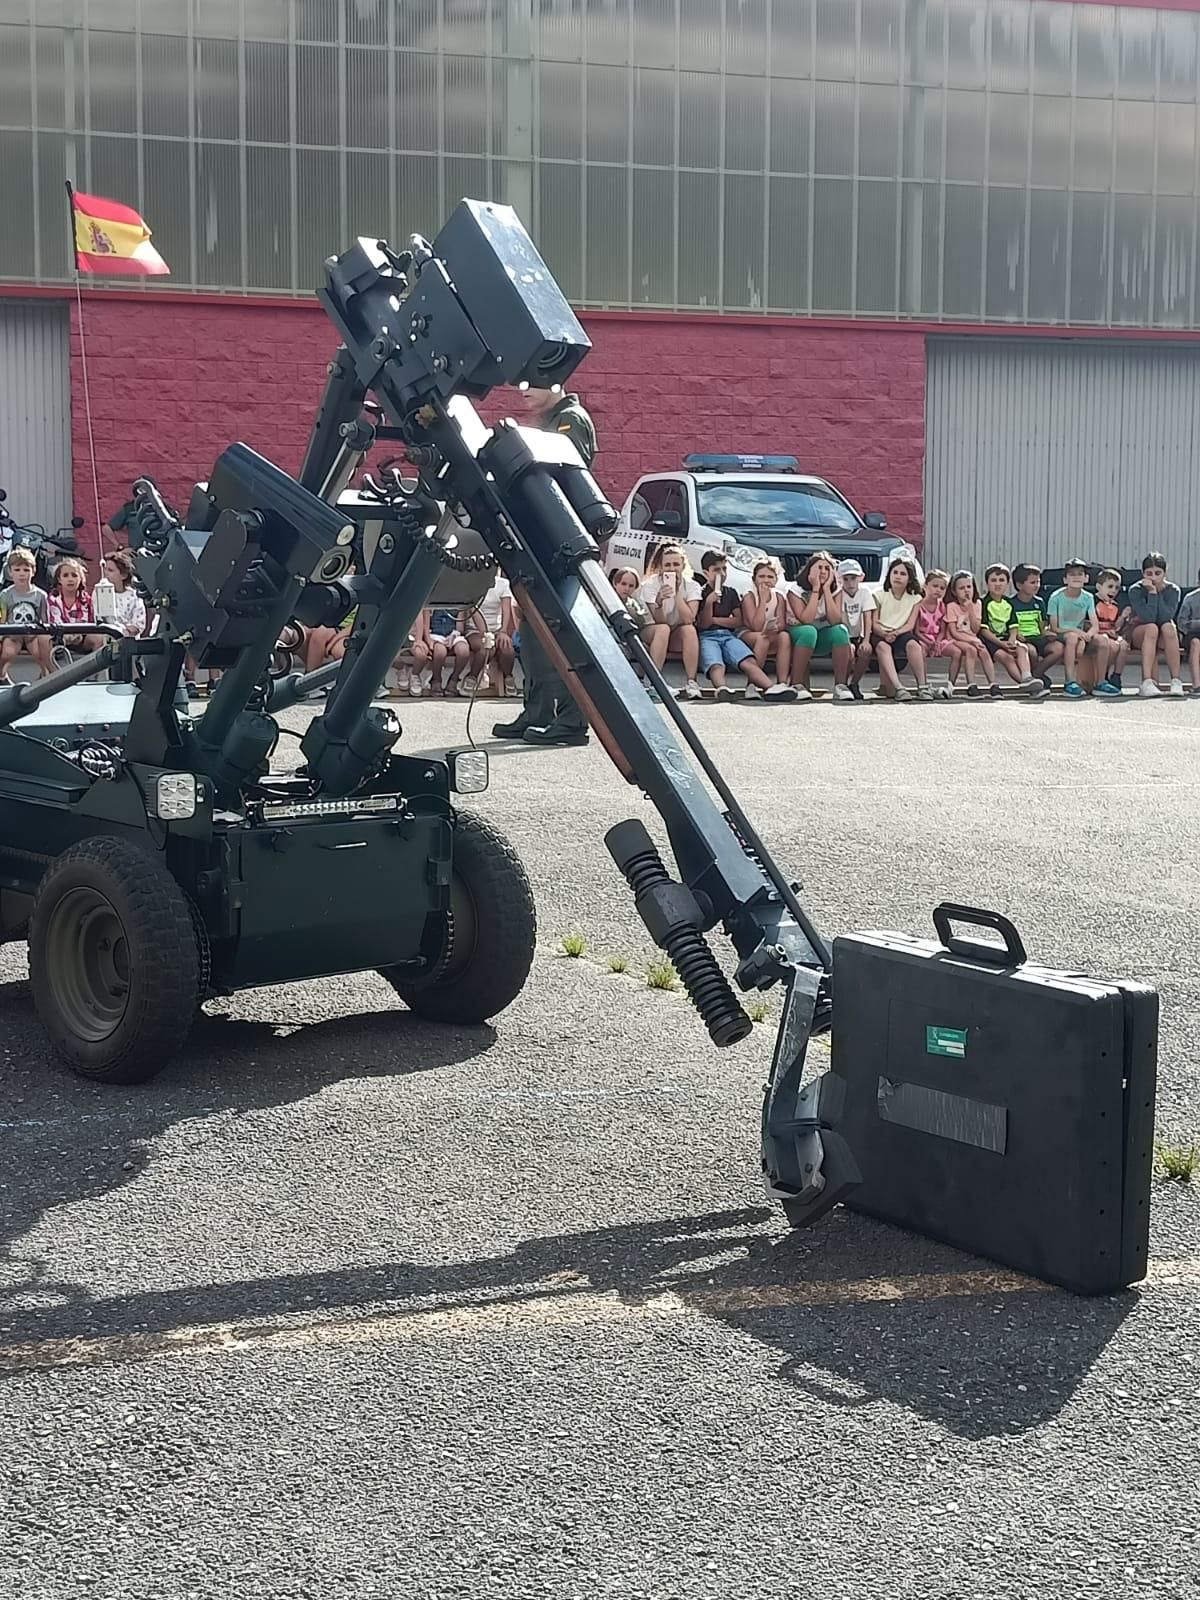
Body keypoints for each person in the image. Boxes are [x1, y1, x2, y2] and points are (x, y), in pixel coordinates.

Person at [495, 386, 597, 745]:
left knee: (564, 631)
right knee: (536, 632)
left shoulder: (570, 421)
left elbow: (558, 480)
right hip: (541, 540)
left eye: (531, 383)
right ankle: (537, 711)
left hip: (559, 541)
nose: (522, 390)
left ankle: (572, 720)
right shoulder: (548, 421)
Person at [697, 552, 796, 702]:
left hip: (729, 635)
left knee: (748, 661)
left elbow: (737, 621)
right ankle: (721, 688)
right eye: (717, 570)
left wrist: (715, 620)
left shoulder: (731, 592)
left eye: (724, 569)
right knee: (716, 664)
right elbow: (704, 624)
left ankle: (770, 688)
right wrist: (710, 603)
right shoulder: (701, 592)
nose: (722, 574)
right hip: (707, 636)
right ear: (706, 573)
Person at [786, 551, 853, 702]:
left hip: (821, 636)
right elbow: (806, 619)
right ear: (809, 570)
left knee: (841, 631)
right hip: (799, 635)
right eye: (819, 567)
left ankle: (840, 686)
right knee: (809, 631)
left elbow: (836, 620)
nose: (823, 571)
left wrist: (827, 590)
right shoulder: (795, 590)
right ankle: (797, 684)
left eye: (827, 568)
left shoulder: (836, 590)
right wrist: (816, 589)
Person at [639, 543, 703, 700]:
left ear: (682, 566)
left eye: (676, 564)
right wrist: (659, 602)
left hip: (676, 630)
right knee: (663, 629)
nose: (672, 568)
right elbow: (658, 620)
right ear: (660, 567)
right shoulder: (650, 585)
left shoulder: (692, 585)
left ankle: (691, 682)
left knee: (689, 630)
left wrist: (677, 594)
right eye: (667, 565)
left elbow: (689, 619)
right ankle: (653, 682)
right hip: (651, 630)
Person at [1047, 559, 1118, 698]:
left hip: (1081, 635)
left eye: (1080, 574)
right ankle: (1069, 682)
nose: (1076, 577)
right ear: (1065, 579)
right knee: (1072, 638)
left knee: (1103, 640)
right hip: (1063, 634)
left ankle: (1101, 682)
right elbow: (1055, 627)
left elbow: (1094, 624)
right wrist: (1078, 632)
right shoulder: (1056, 597)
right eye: (1072, 574)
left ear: (1086, 578)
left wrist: (1089, 635)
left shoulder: (1088, 597)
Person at [1126, 551, 1184, 697]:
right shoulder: (1136, 590)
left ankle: (1176, 681)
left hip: (1163, 633)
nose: (1153, 578)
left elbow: (1166, 616)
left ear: (1165, 573)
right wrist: (1152, 593)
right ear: (1143, 573)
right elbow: (1148, 617)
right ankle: (1147, 682)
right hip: (1141, 632)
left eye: (1158, 573)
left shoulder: (1173, 590)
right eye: (1149, 573)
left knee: (1169, 627)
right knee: (1152, 628)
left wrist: (1159, 594)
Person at [873, 556, 931, 701]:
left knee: (913, 645)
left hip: (901, 632)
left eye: (903, 574)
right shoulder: (879, 595)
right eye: (895, 572)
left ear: (910, 579)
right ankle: (899, 688)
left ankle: (922, 687)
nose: (898, 576)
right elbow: (874, 623)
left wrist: (896, 633)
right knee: (883, 648)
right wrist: (885, 634)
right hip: (880, 632)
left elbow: (910, 624)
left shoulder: (915, 598)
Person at [980, 563, 1042, 694]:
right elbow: (984, 630)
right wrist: (1001, 644)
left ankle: (1027, 677)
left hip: (1006, 639)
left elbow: (1013, 626)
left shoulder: (1009, 603)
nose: (998, 584)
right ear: (987, 583)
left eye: (1002, 580)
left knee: (1023, 648)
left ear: (1007, 583)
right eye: (993, 580)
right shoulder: (983, 603)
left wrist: (1012, 640)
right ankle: (1026, 686)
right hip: (991, 641)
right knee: (1006, 657)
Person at [0, 547, 53, 681]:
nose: (22, 574)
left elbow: (44, 620)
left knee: (39, 652)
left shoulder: (41, 595)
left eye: (26, 570)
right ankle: (2, 675)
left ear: (33, 571)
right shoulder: (5, 595)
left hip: (32, 634)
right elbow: (2, 620)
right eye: (17, 570)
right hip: (13, 634)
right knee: (7, 652)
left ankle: (44, 675)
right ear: (10, 572)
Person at [461, 573, 517, 697]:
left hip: (496, 629)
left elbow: (506, 610)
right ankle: (472, 677)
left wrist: (503, 631)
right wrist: (485, 634)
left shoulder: (503, 584)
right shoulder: (472, 583)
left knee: (507, 649)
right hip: (475, 629)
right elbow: (473, 610)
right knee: (486, 648)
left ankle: (508, 677)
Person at [944, 570, 998, 697]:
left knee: (984, 651)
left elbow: (975, 629)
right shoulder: (951, 606)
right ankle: (971, 684)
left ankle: (993, 684)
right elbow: (953, 632)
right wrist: (972, 641)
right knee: (971, 650)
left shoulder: (977, 603)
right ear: (954, 591)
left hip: (972, 637)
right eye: (961, 588)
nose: (966, 591)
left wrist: (971, 610)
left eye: (969, 587)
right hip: (955, 639)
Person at [1010, 563, 1065, 687]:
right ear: (1019, 585)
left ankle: (1037, 674)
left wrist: (1047, 632)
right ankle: (1038, 678)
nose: (1036, 585)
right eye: (1032, 582)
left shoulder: (1039, 602)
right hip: (1024, 640)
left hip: (1039, 637)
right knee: (1032, 652)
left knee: (1058, 648)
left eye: (1038, 582)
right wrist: (1017, 634)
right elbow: (1010, 625)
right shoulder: (1011, 603)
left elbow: (1042, 624)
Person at [739, 559, 791, 685]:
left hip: (770, 633)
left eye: (770, 577)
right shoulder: (749, 596)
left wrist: (775, 628)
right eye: (761, 576)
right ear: (754, 579)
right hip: (749, 633)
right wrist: (762, 600)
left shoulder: (778, 596)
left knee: (784, 636)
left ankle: (782, 682)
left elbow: (782, 623)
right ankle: (752, 683)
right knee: (763, 638)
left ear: (776, 580)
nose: (766, 580)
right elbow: (755, 626)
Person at [47, 556, 103, 663]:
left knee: (98, 638)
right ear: (59, 579)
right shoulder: (53, 598)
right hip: (61, 638)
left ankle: (96, 674)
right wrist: (67, 636)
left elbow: (90, 621)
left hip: (81, 637)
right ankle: (52, 674)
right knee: (47, 640)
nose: (70, 579)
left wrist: (78, 634)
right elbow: (54, 621)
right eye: (65, 575)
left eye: (74, 575)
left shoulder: (86, 599)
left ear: (80, 578)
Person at [836, 559, 876, 700]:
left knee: (866, 651)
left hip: (858, 634)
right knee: (849, 652)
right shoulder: (839, 594)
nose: (850, 583)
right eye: (846, 579)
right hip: (843, 634)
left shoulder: (865, 592)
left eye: (853, 578)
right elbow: (839, 618)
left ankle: (854, 683)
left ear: (861, 577)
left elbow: (867, 617)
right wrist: (846, 640)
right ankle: (842, 684)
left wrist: (866, 640)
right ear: (840, 580)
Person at [914, 569, 956, 699]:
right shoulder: (918, 605)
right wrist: (929, 642)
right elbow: (916, 630)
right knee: (920, 651)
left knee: (957, 652)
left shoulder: (942, 606)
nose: (938, 590)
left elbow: (943, 629)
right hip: (922, 638)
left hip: (937, 638)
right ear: (925, 586)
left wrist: (937, 642)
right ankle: (924, 684)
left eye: (942, 588)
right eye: (935, 586)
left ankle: (950, 685)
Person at [1093, 567, 1131, 691]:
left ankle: (1116, 676)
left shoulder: (1115, 605)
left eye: (1116, 588)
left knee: (1124, 645)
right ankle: (1102, 675)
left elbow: (1116, 626)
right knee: (1111, 645)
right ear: (1099, 587)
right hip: (1098, 634)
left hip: (1111, 633)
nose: (1113, 591)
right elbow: (1089, 623)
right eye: (1110, 587)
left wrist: (1123, 617)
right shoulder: (1092, 601)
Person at [99, 549, 147, 638]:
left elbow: (139, 623)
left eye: (110, 570)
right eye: (105, 570)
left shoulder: (134, 596)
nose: (106, 574)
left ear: (123, 575)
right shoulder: (101, 594)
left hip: (130, 641)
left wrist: (129, 630)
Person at [390, 609, 432, 698]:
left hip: (412, 637)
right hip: (396, 638)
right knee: (389, 654)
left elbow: (420, 619)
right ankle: (401, 668)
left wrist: (419, 639)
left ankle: (415, 675)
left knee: (421, 654)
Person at [1176, 569, 1200, 688]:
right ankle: (1197, 685)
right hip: (1193, 633)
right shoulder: (1190, 598)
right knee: (1195, 643)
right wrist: (1195, 624)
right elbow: (1181, 622)